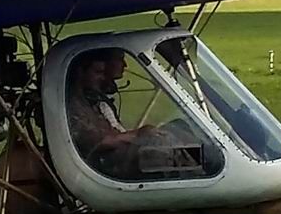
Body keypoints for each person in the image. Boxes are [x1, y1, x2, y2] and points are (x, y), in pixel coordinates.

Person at [66, 49, 201, 179]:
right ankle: (196, 173)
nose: (103, 78)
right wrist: (138, 134)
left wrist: (138, 134)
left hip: (118, 155)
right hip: (107, 165)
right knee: (159, 143)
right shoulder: (74, 107)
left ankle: (200, 164)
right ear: (80, 73)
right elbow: (98, 142)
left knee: (178, 126)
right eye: (98, 73)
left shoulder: (92, 103)